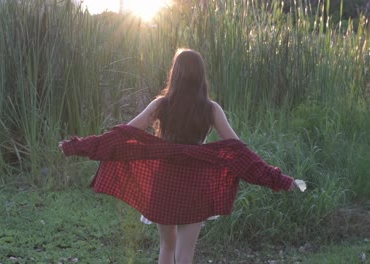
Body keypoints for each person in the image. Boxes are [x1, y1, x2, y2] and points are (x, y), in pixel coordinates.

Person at [60, 48, 296, 264]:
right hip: (196, 185)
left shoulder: (162, 104)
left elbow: (124, 134)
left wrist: (80, 146)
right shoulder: (211, 109)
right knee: (185, 252)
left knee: (167, 245)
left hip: (164, 183)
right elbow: (238, 151)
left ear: (176, 74)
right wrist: (279, 179)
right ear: (201, 75)